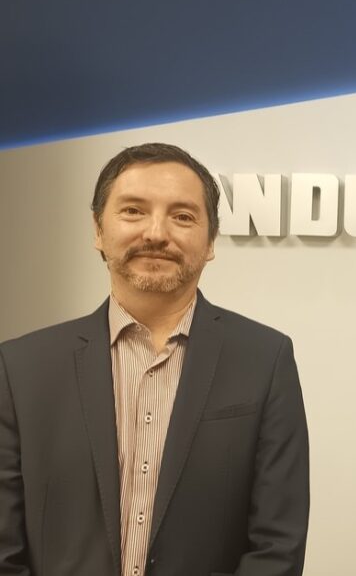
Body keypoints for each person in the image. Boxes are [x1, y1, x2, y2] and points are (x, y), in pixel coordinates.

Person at [0, 143, 309, 576]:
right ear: (98, 230)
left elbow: (278, 547)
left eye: (182, 216)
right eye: (133, 211)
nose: (156, 233)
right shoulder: (22, 368)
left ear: (211, 241)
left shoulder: (265, 360)